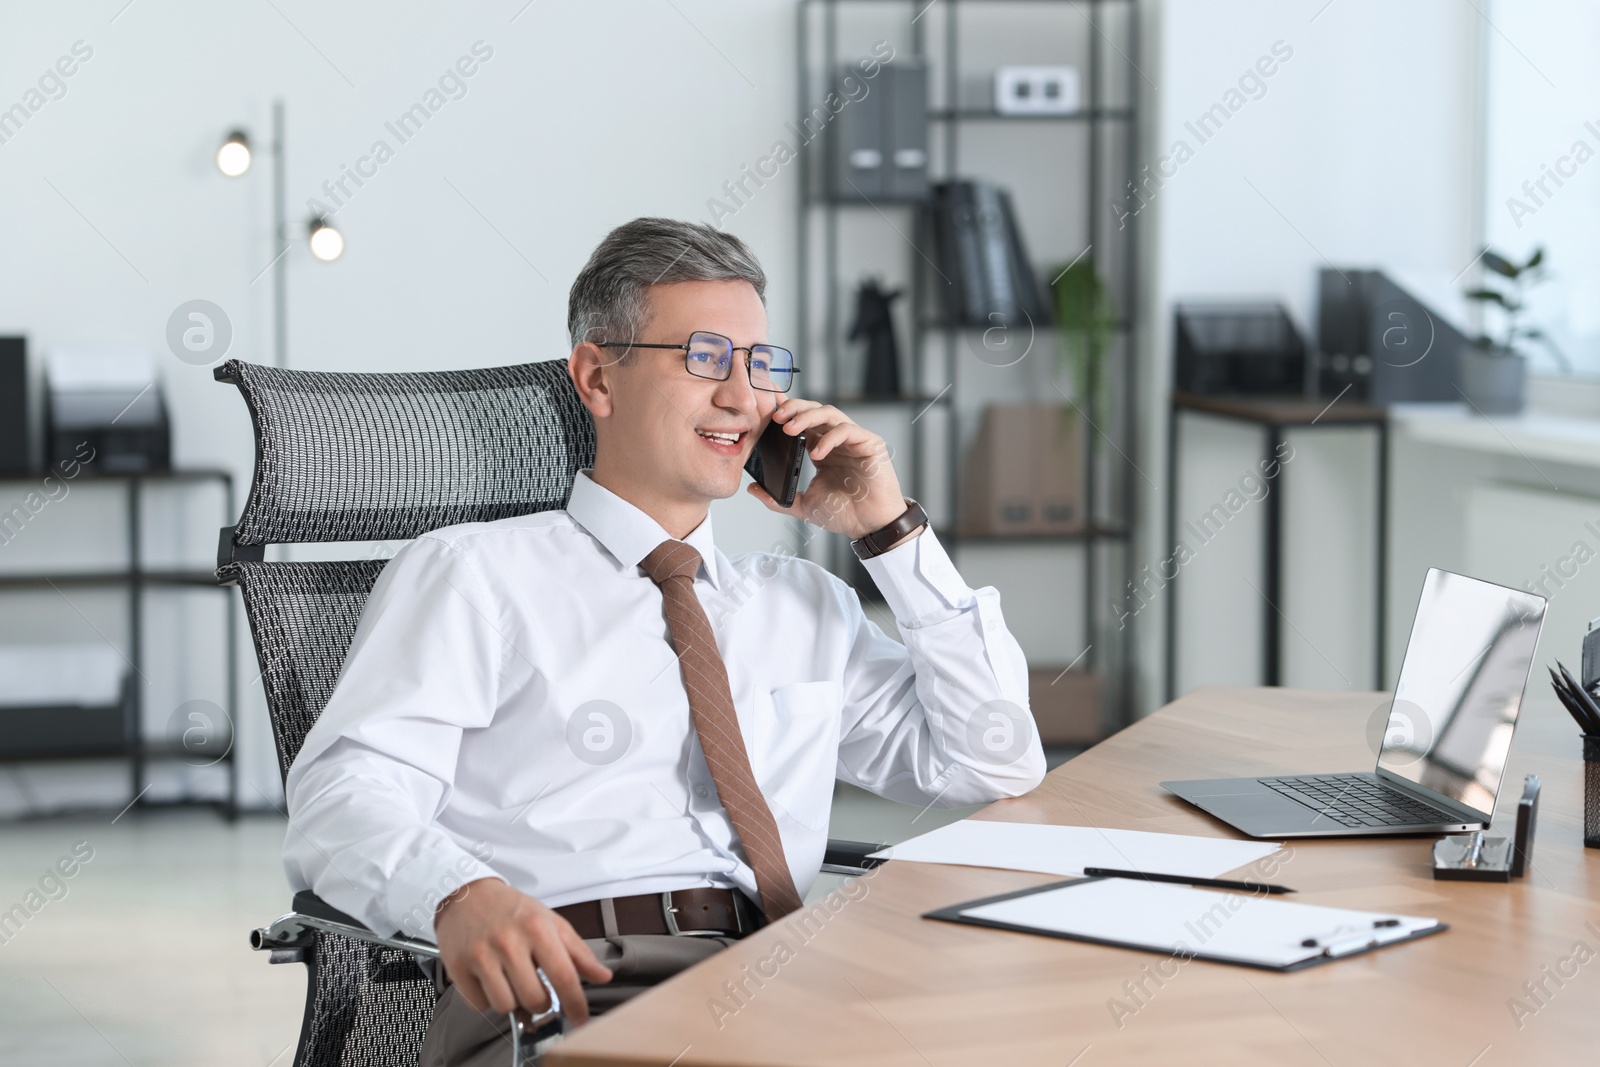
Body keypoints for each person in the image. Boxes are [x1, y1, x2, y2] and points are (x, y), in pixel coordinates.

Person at [282, 217, 1045, 1066]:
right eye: (706, 358)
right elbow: (342, 795)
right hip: (579, 985)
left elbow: (994, 759)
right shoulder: (474, 574)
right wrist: (457, 893)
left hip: (790, 981)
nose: (742, 398)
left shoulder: (800, 603)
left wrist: (891, 532)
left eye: (761, 365)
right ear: (597, 378)